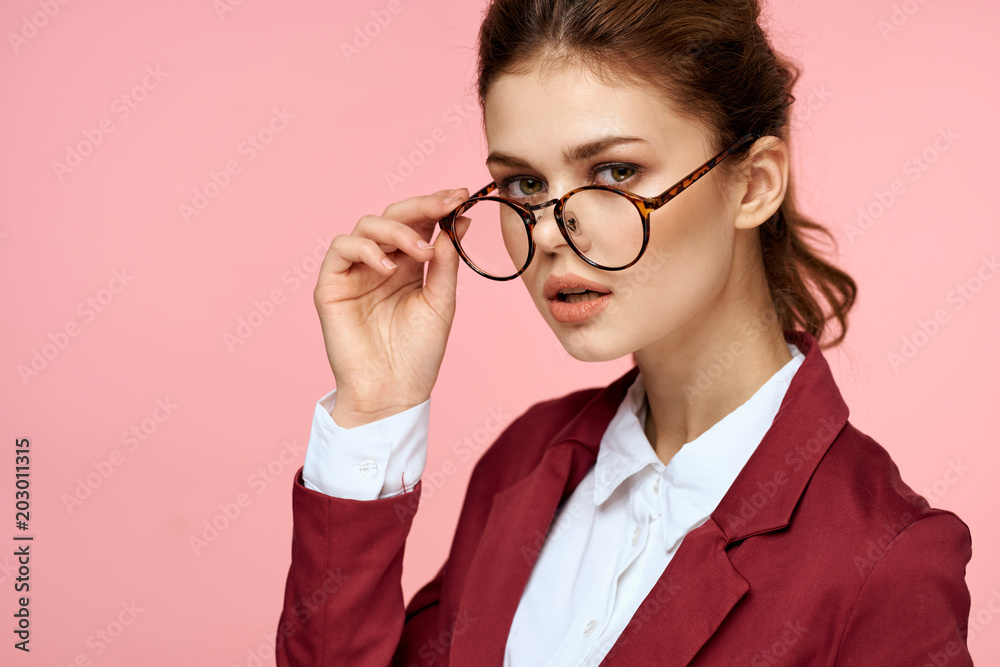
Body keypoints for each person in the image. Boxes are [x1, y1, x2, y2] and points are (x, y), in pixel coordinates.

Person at [276, 0, 973, 664]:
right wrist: (374, 408)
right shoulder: (523, 464)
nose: (547, 229)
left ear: (755, 184)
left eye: (615, 171)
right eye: (522, 185)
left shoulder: (887, 560)